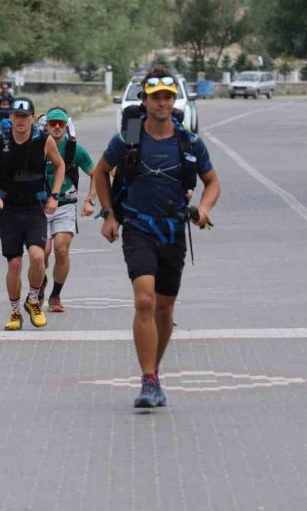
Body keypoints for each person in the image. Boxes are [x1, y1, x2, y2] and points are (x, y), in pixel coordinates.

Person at [92, 67, 220, 409]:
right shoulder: (128, 139)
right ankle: (148, 380)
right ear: (144, 101)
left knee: (164, 306)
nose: (161, 103)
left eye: (167, 97)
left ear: (173, 100)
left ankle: (155, 370)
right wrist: (108, 215)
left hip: (174, 230)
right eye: (155, 97)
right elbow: (100, 171)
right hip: (138, 227)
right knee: (145, 301)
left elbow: (213, 182)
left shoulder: (189, 142)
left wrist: (204, 208)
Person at [0, 96, 65, 331]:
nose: (21, 121)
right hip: (9, 211)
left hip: (34, 208)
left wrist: (55, 195)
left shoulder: (45, 141)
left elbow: (60, 166)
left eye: (25, 117)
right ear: (11, 118)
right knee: (15, 264)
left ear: (32, 119)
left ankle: (34, 300)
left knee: (38, 257)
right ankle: (15, 311)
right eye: (17, 116)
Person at [40, 107, 97, 313]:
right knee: (42, 253)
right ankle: (41, 280)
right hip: (38, 207)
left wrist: (90, 200)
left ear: (66, 126)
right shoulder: (37, 146)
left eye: (61, 124)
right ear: (46, 126)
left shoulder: (75, 150)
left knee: (61, 250)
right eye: (53, 123)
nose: (56, 127)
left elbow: (95, 174)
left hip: (65, 205)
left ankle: (55, 295)